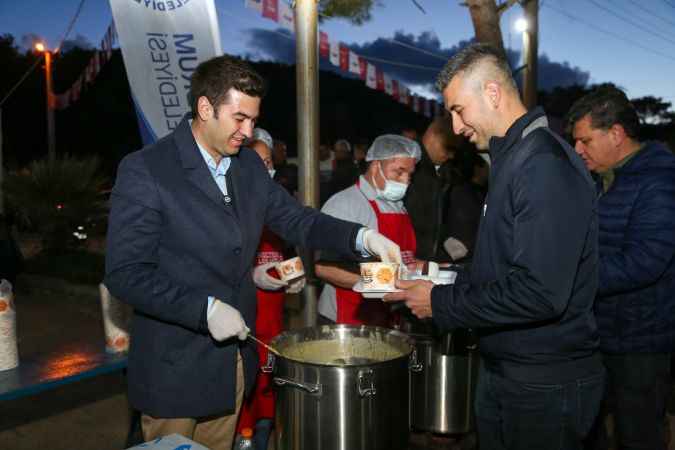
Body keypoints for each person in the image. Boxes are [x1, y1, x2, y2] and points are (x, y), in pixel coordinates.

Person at [104, 55, 401, 450]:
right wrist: (203, 309)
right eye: (239, 118)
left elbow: (300, 220)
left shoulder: (246, 168)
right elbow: (125, 272)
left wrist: (362, 238)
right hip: (173, 367)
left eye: (253, 119)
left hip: (232, 364)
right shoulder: (148, 170)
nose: (248, 131)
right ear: (205, 108)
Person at [385, 43, 605, 450]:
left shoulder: (543, 165)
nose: (455, 127)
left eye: (457, 109)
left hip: (543, 384)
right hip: (508, 371)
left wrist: (441, 304)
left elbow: (540, 293)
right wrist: (435, 279)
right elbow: (498, 268)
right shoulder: (513, 161)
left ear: (492, 93)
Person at [567, 86, 675, 450]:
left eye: (585, 140)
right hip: (602, 332)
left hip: (640, 343)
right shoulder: (605, 180)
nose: (578, 150)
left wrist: (572, 278)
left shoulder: (659, 183)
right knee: (591, 428)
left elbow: (646, 262)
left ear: (616, 134)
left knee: (638, 434)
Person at [234, 128, 304, 450]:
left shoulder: (276, 202)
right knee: (244, 391)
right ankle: (245, 440)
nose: (266, 168)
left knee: (268, 386)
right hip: (242, 321)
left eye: (268, 161)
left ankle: (263, 435)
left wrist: (294, 274)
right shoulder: (232, 203)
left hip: (273, 320)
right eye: (257, 160)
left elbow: (288, 246)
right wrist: (251, 275)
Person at [316, 134, 420, 326]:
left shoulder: (398, 206)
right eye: (399, 172)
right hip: (346, 319)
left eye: (409, 175)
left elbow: (405, 258)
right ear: (375, 166)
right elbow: (323, 268)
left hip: (386, 316)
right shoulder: (344, 204)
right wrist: (376, 282)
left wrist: (430, 269)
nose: (405, 181)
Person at [404, 115, 466, 263]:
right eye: (448, 147)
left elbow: (433, 219)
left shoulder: (443, 173)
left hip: (426, 259)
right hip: (409, 259)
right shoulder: (410, 166)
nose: (450, 155)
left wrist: (446, 241)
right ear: (432, 135)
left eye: (454, 151)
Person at [445, 151, 489, 262]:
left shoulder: (478, 192)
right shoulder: (464, 192)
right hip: (463, 255)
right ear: (478, 168)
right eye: (487, 167)